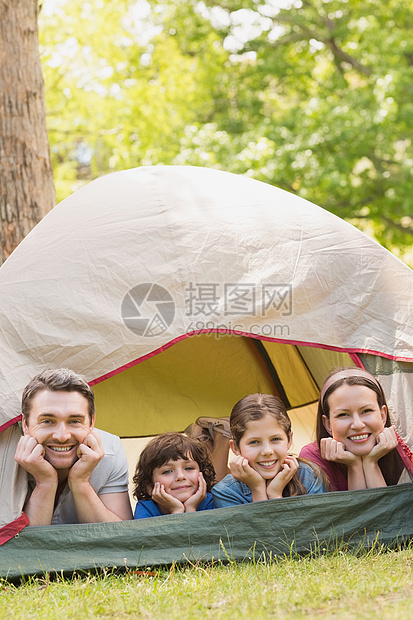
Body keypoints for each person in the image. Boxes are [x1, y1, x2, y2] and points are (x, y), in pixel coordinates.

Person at [14, 368, 133, 525]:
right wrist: (45, 483)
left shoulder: (110, 451)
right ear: (25, 424)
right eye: (47, 421)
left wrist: (80, 482)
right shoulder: (4, 455)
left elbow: (122, 541)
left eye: (74, 421)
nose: (62, 436)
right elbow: (19, 549)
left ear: (91, 423)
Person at [299, 367, 412, 491]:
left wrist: (370, 463)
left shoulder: (407, 449)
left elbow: (389, 511)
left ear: (383, 415)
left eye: (366, 411)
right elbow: (362, 511)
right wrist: (355, 466)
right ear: (328, 424)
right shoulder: (312, 460)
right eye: (343, 414)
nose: (357, 425)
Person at [212, 394, 327, 508]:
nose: (267, 451)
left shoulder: (308, 475)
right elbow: (262, 527)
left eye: (275, 439)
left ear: (289, 440)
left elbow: (316, 526)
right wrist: (257, 489)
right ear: (235, 447)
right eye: (254, 442)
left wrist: (275, 495)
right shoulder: (226, 492)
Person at [133, 432, 216, 518]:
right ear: (150, 487)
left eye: (188, 468)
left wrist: (190, 508)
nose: (180, 476)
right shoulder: (146, 509)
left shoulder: (211, 502)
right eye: (167, 471)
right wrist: (176, 510)